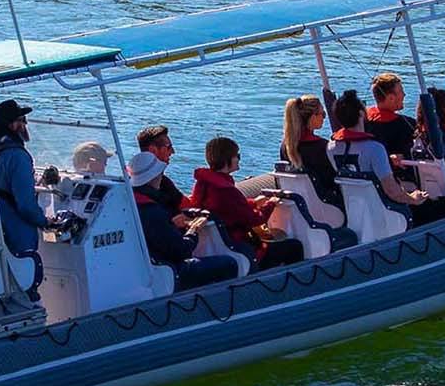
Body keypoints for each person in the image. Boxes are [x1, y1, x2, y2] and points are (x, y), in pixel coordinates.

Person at [329, 91, 445, 227]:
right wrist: (413, 198)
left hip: (360, 211)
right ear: (361, 114)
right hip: (389, 211)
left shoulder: (331, 148)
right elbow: (392, 191)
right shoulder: (374, 148)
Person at [188, 137, 305, 270]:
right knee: (294, 246)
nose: (239, 159)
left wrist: (254, 203)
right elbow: (256, 219)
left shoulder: (204, 184)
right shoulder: (226, 191)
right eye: (237, 155)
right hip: (238, 247)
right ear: (227, 159)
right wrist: (271, 203)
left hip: (218, 246)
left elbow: (228, 208)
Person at [128, 151, 239, 290]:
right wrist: (194, 230)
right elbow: (181, 251)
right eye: (160, 173)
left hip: (142, 268)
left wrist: (171, 225)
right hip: (166, 272)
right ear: (153, 177)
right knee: (229, 263)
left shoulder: (129, 202)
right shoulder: (151, 210)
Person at [0, 98, 48, 298]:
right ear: (12, 125)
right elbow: (26, 206)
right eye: (22, 119)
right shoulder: (18, 157)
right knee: (25, 283)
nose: (25, 124)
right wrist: (46, 221)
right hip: (15, 232)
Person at [280, 94, 344, 210]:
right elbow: (332, 180)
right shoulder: (323, 147)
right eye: (322, 114)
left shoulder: (286, 146)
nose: (324, 118)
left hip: (299, 206)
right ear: (312, 117)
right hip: (326, 206)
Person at [135, 124, 186, 218]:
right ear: (153, 150)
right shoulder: (159, 184)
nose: (173, 152)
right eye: (169, 147)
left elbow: (185, 204)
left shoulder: (132, 182)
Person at [364, 71, 417, 159]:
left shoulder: (362, 120)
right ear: (391, 98)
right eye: (401, 91)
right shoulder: (406, 125)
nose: (404, 94)